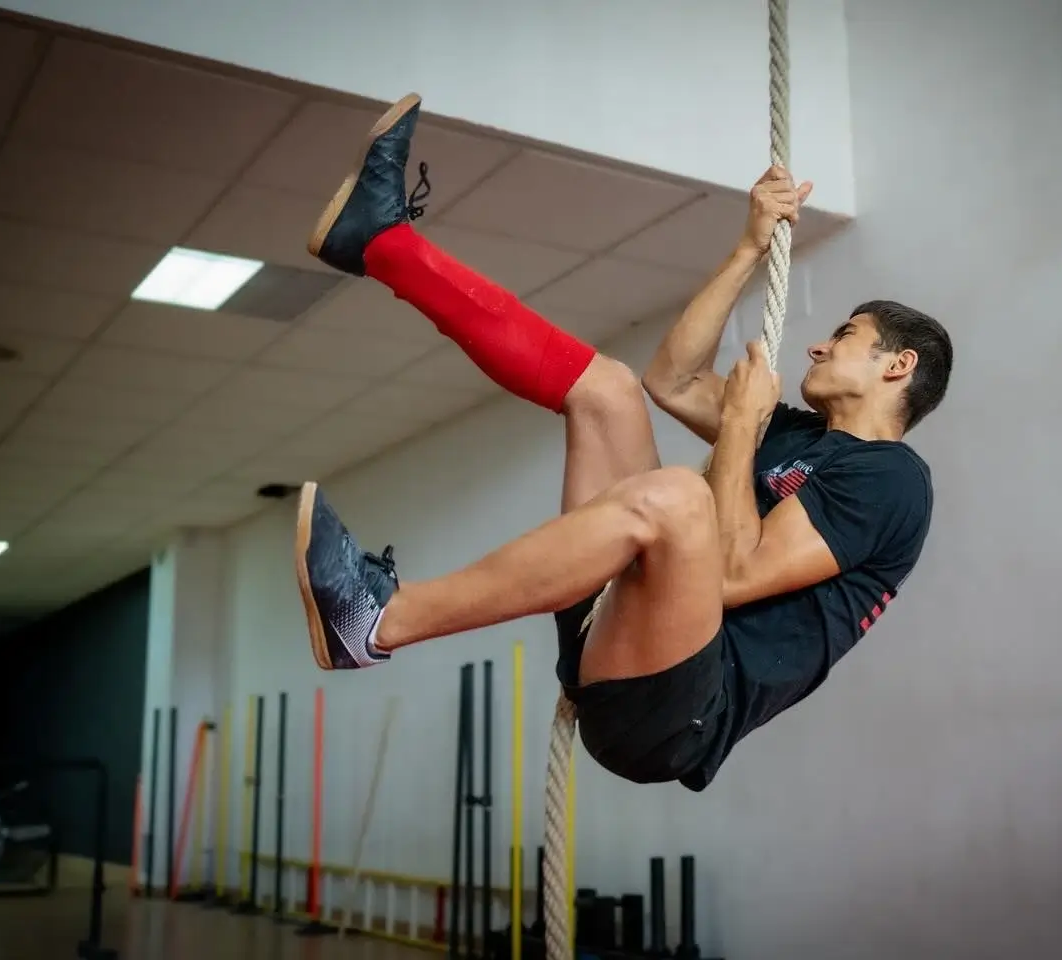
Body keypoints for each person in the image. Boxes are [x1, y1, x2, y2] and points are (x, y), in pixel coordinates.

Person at [294, 94, 952, 791]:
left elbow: (730, 571)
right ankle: (381, 245)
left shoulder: (893, 481)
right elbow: (671, 379)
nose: (820, 344)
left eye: (846, 336)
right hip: (623, 631)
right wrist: (749, 248)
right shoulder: (796, 434)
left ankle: (381, 621)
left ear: (897, 365)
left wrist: (737, 427)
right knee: (606, 391)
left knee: (675, 499)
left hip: (676, 713)